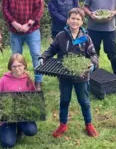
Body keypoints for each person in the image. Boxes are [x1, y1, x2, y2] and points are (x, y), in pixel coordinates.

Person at [40, 8, 99, 138]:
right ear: (68, 20)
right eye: (72, 18)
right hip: (64, 74)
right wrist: (42, 58)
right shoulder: (61, 36)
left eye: (78, 19)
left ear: (82, 22)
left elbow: (93, 54)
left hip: (81, 76)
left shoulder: (85, 38)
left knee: (84, 101)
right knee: (65, 99)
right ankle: (63, 125)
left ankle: (88, 124)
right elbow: (51, 50)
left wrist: (92, 65)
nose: (75, 21)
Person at [1, 0, 44, 90]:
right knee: (16, 57)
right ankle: (17, 81)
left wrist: (28, 23)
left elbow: (40, 9)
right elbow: (4, 8)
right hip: (15, 31)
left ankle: (38, 82)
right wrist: (14, 22)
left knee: (36, 55)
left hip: (32, 30)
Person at [0, 54, 38, 148]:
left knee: (31, 131)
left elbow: (33, 97)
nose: (17, 68)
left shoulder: (28, 79)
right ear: (10, 67)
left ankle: (20, 127)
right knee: (8, 144)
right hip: (7, 116)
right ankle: (6, 129)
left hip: (23, 114)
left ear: (24, 65)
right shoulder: (4, 80)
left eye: (19, 65)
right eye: (14, 66)